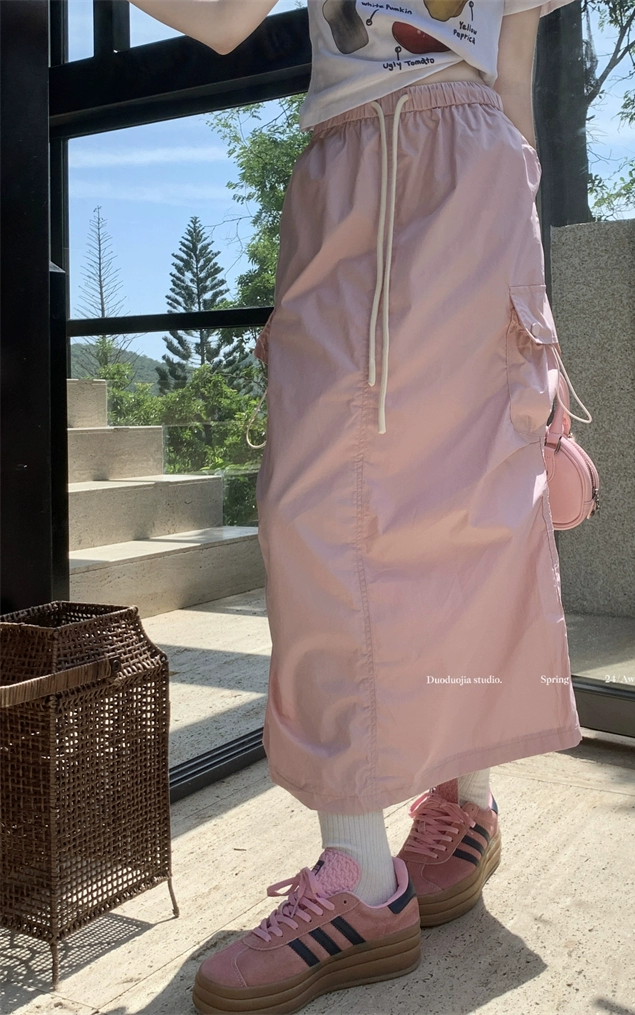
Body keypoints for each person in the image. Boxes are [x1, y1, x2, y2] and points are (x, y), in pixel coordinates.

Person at [129, 2, 584, 1011]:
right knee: (322, 516)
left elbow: (512, 68)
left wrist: (524, 263)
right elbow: (222, 18)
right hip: (352, 169)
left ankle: (388, 864)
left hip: (474, 172)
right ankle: (414, 833)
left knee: (468, 507)